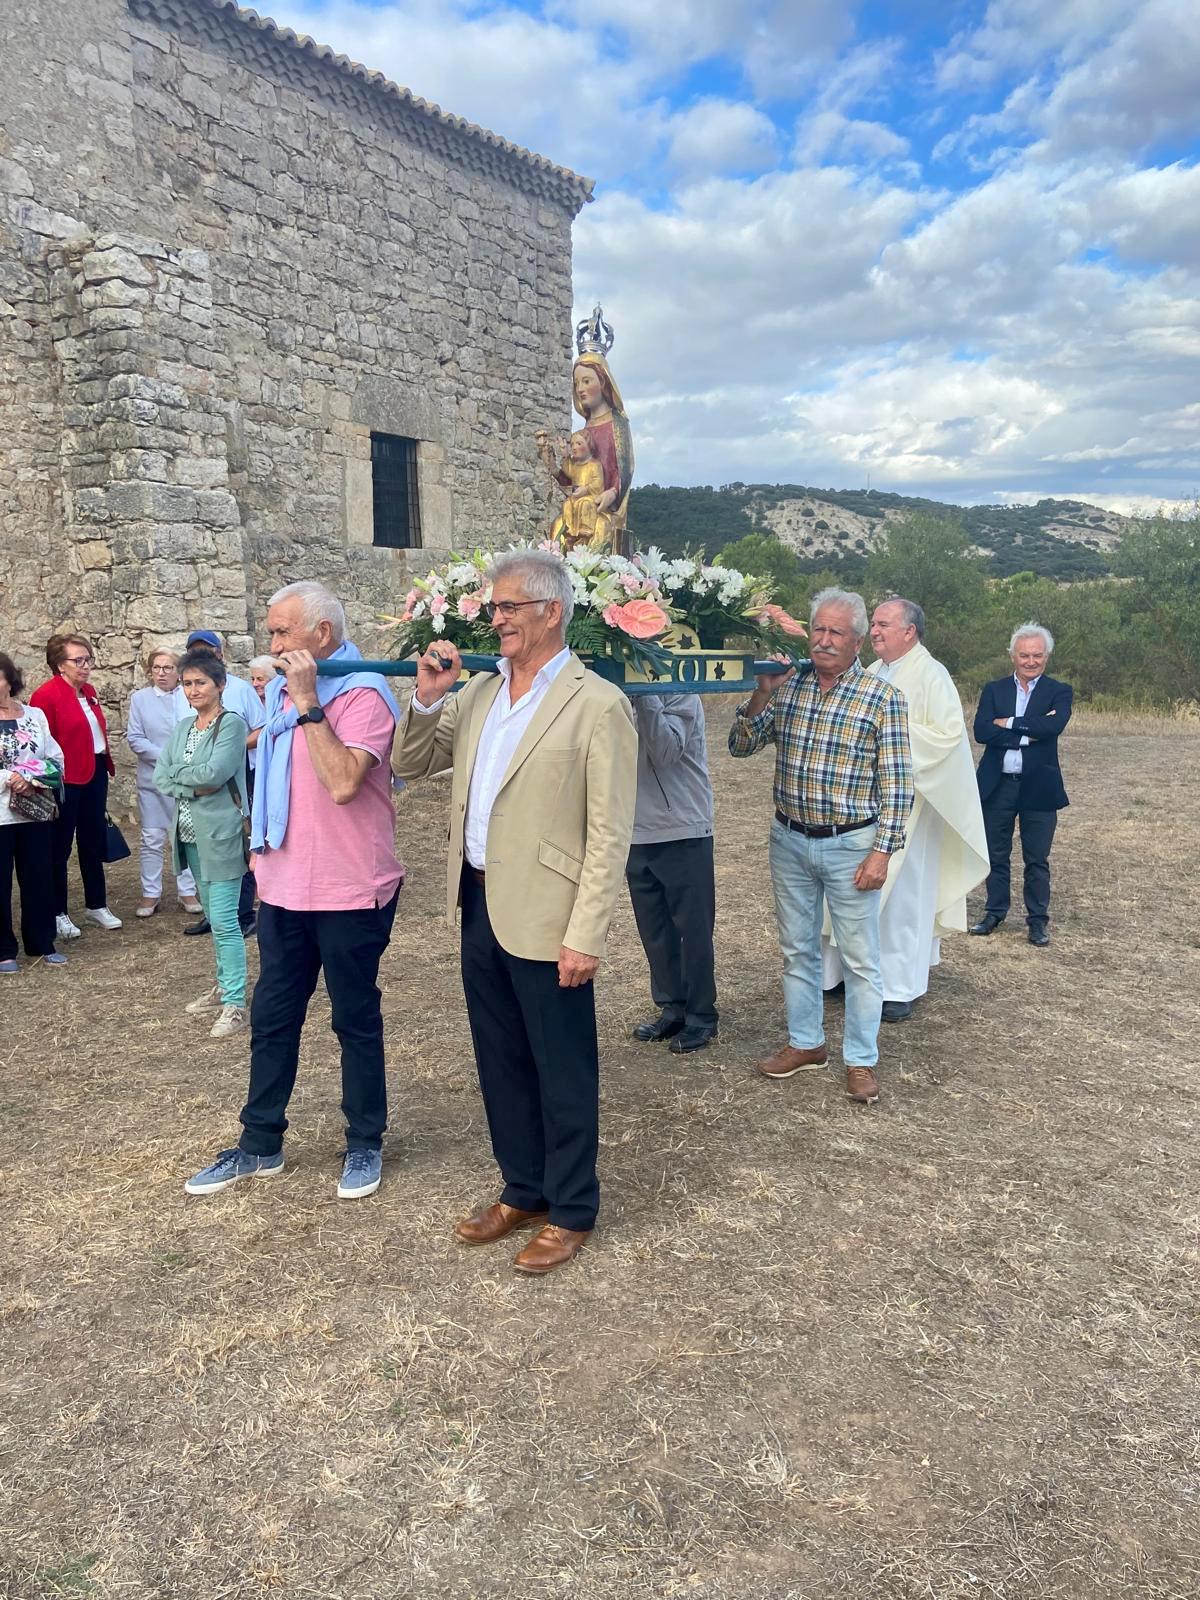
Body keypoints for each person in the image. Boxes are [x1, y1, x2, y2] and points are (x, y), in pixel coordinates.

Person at [392, 549, 637, 1274]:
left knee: (562, 1067)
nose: (493, 619)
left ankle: (571, 1208)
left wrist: (585, 932)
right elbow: (412, 764)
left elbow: (608, 831)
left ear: (550, 612)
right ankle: (522, 1187)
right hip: (477, 902)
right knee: (500, 1059)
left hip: (549, 914)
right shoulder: (475, 695)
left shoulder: (598, 705)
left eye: (506, 608)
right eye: (492, 608)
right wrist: (429, 696)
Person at [184, 582, 405, 1200]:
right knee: (274, 1016)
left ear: (322, 637)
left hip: (349, 889)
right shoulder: (280, 690)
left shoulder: (363, 694)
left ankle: (364, 1142)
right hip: (283, 884)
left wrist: (311, 703)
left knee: (354, 1018)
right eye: (273, 632)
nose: (272, 644)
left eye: (282, 632)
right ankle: (260, 1144)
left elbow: (341, 784)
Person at [729, 588, 912, 1106]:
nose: (824, 641)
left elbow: (898, 785)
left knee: (859, 960)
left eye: (836, 633)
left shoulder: (881, 698)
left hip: (850, 845)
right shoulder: (791, 687)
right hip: (789, 840)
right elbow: (740, 747)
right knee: (797, 949)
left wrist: (882, 852)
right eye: (818, 630)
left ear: (858, 642)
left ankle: (860, 1059)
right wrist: (762, 693)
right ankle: (806, 1043)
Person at [822, 599, 989, 1022]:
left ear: (909, 631)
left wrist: (889, 731)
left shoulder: (932, 675)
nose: (873, 631)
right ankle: (847, 975)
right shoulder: (873, 673)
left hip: (912, 807)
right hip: (860, 803)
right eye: (873, 624)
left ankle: (897, 988)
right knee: (852, 891)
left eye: (882, 624)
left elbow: (947, 737)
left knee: (901, 900)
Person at [154, 650, 250, 1038]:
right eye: (188, 683)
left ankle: (235, 1002)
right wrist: (191, 781)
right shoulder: (183, 728)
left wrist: (185, 778)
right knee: (213, 916)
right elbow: (163, 775)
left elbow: (217, 771)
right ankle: (226, 986)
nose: (193, 690)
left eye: (201, 683)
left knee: (226, 921)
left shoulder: (231, 726)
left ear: (220, 685)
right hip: (190, 835)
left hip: (222, 834)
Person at [626, 694, 718, 1054]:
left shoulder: (683, 694)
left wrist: (644, 694)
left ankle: (701, 1015)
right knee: (655, 931)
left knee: (692, 930)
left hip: (683, 828)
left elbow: (666, 750)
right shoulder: (613, 695)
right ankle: (672, 1006)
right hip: (634, 828)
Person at [971, 623, 1072, 947]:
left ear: (1047, 656)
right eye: (1025, 655)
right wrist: (1032, 732)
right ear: (1013, 656)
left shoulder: (1059, 691)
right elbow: (983, 731)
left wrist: (1010, 723)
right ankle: (994, 912)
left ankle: (1037, 921)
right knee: (995, 854)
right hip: (997, 785)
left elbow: (1054, 725)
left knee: (1037, 858)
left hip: (1039, 787)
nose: (1031, 661)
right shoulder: (994, 690)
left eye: (1037, 655)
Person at [29, 633, 121, 939]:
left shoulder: (89, 691)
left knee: (92, 840)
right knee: (60, 846)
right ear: (59, 664)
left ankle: (97, 904)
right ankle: (58, 911)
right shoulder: (46, 696)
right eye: (77, 660)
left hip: (93, 771)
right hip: (66, 778)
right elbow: (44, 743)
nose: (85, 666)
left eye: (88, 659)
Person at [181, 629, 265, 940]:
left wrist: (233, 747)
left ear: (220, 654)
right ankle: (212, 913)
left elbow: (264, 727)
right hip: (196, 779)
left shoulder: (241, 690)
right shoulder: (185, 692)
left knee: (235, 840)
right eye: (195, 650)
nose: (201, 655)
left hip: (235, 776)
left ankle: (242, 914)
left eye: (207, 650)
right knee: (202, 844)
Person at [0, 651, 67, 972]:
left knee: (39, 877)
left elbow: (56, 758)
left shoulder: (35, 716)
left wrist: (29, 778)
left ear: (10, 680)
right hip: (1, 815)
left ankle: (42, 941)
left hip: (35, 810)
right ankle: (3, 950)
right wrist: (9, 779)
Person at [126, 649, 203, 918]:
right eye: (157, 667)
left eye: (168, 667)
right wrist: (166, 758)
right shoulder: (141, 699)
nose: (162, 673)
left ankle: (187, 890)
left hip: (186, 778)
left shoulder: (189, 696)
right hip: (154, 779)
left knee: (186, 835)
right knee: (152, 837)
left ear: (178, 671)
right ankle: (150, 893)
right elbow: (135, 738)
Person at [547, 428, 614, 553]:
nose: (574, 447)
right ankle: (570, 530)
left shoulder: (594, 465)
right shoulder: (575, 465)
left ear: (589, 445)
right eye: (572, 444)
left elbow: (598, 483)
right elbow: (567, 469)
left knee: (584, 504)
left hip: (591, 497)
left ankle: (586, 529)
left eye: (578, 443)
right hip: (576, 497)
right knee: (567, 504)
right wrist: (564, 453)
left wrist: (586, 489)